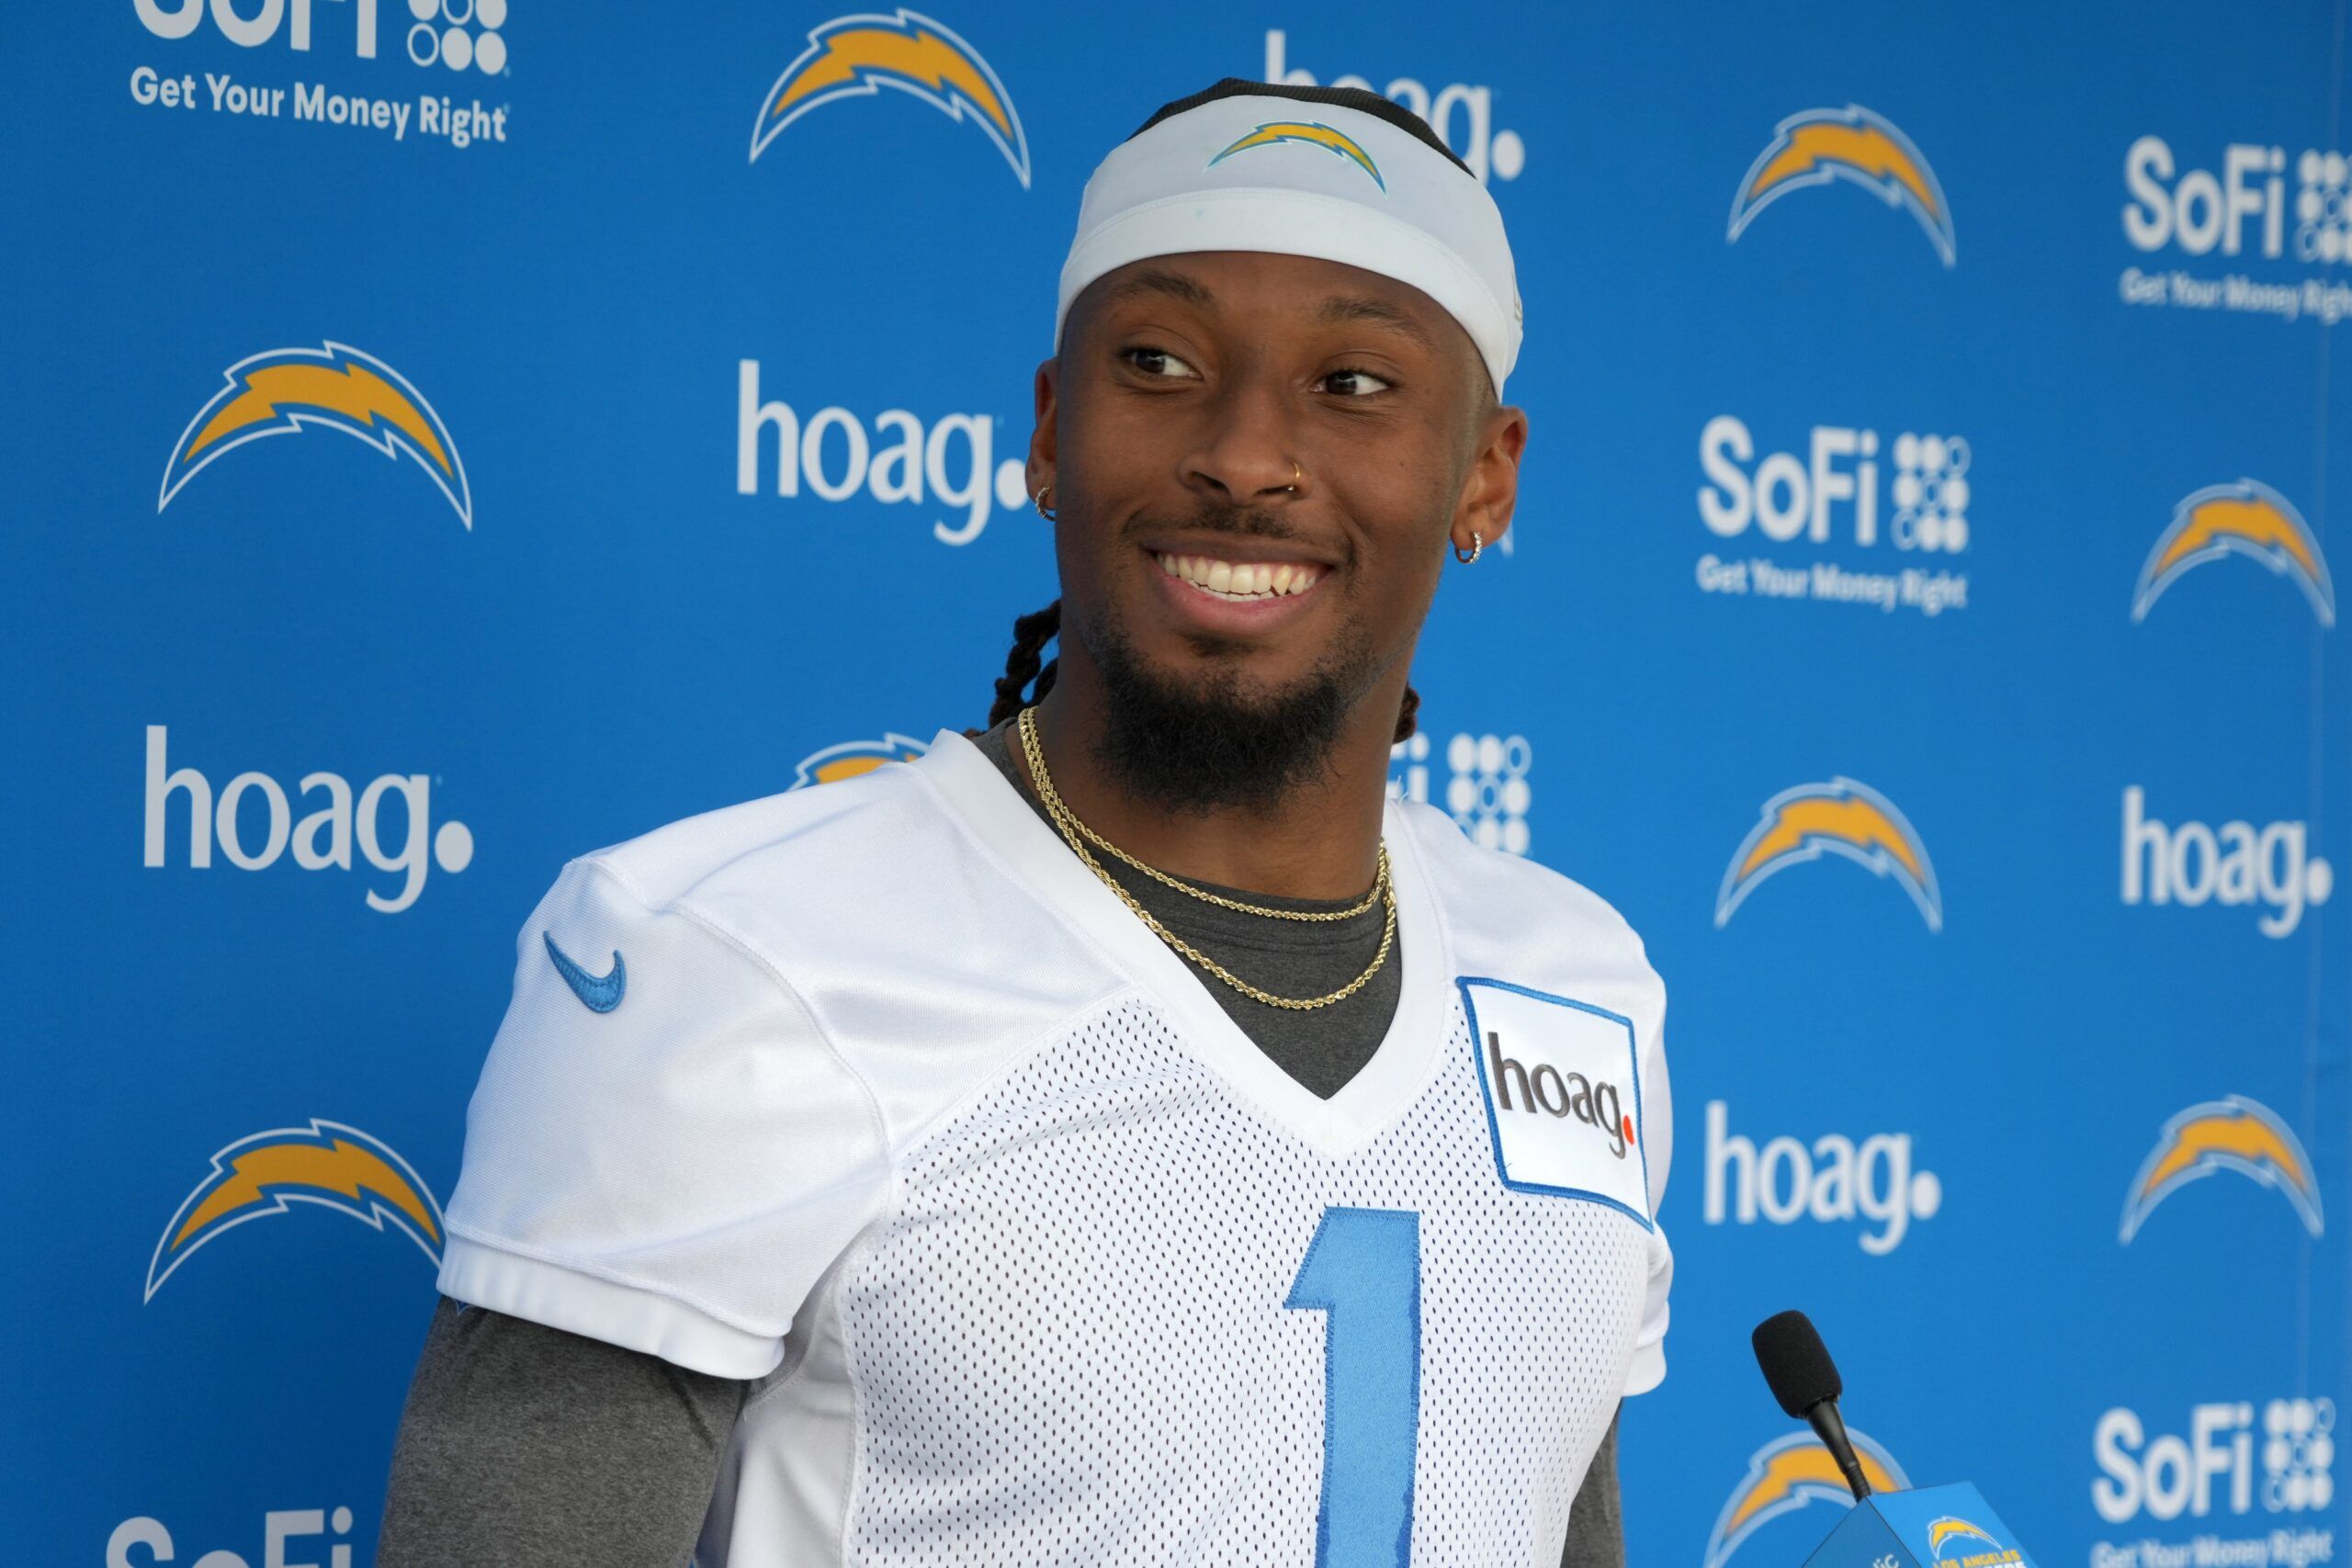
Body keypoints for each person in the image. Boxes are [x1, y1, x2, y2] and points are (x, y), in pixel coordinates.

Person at [379, 78, 1673, 1567]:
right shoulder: (727, 957)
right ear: (1053, 430)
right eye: (1160, 360)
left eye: (1355, 384)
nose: (1247, 455)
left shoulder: (1577, 982)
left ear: (1486, 474)